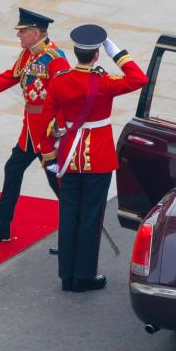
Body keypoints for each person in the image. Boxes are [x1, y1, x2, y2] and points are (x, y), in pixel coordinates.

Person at [43, 24, 147, 292]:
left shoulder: (60, 80)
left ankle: (66, 275)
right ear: (97, 55)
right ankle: (84, 276)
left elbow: (45, 117)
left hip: (67, 157)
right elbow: (139, 79)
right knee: (91, 217)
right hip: (97, 159)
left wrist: (50, 154)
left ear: (75, 52)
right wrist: (117, 51)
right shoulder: (103, 82)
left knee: (68, 215)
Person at [0, 8, 69, 242]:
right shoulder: (28, 54)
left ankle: (72, 238)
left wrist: (59, 130)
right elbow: (9, 76)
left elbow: (65, 98)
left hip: (48, 133)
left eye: (23, 32)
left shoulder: (56, 60)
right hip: (30, 131)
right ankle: (1, 228)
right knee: (13, 170)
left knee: (60, 187)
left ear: (37, 33)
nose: (19, 36)